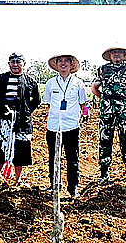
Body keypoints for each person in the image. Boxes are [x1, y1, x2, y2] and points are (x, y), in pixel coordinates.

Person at [0, 53, 41, 189]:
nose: (15, 64)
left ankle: (17, 180)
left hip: (22, 122)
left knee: (20, 150)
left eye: (18, 62)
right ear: (9, 64)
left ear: (24, 64)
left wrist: (25, 111)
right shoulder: (1, 79)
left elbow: (37, 99)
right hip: (3, 121)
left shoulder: (30, 81)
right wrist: (2, 107)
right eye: (13, 62)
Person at [92, 47, 126, 182]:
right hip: (107, 110)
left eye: (120, 53)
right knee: (105, 139)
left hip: (124, 110)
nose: (117, 55)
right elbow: (94, 87)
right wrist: (103, 99)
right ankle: (104, 172)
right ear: (110, 55)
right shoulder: (103, 69)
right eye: (114, 53)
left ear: (124, 55)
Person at [44, 54, 88, 199]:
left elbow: (84, 103)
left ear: (71, 65)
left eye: (66, 61)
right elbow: (49, 103)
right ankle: (54, 185)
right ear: (56, 65)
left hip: (71, 126)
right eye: (60, 61)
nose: (63, 64)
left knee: (72, 158)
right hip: (53, 126)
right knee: (53, 157)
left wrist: (84, 115)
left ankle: (72, 187)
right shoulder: (51, 83)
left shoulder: (78, 83)